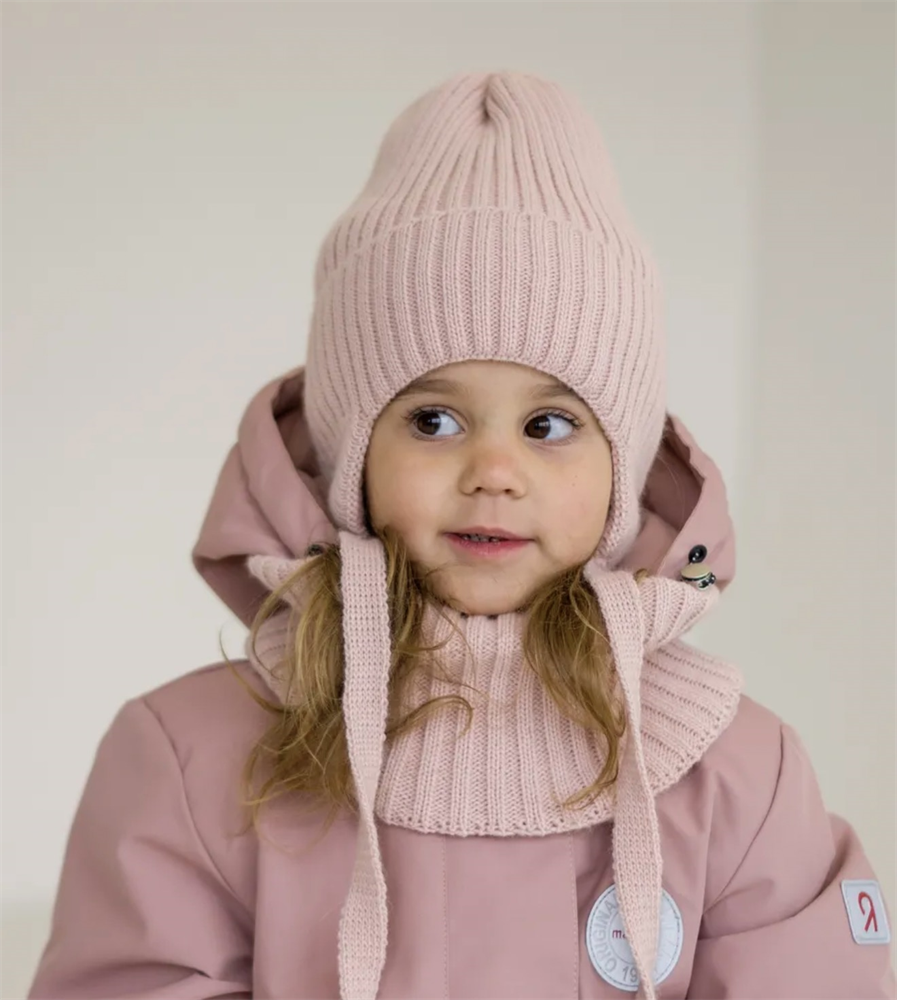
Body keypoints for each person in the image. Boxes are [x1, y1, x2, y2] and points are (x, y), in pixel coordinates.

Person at [28, 70, 895, 1000]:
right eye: (432, 421)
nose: (493, 470)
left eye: (548, 425)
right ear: (349, 454)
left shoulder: (736, 774)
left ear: (626, 467)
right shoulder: (194, 759)